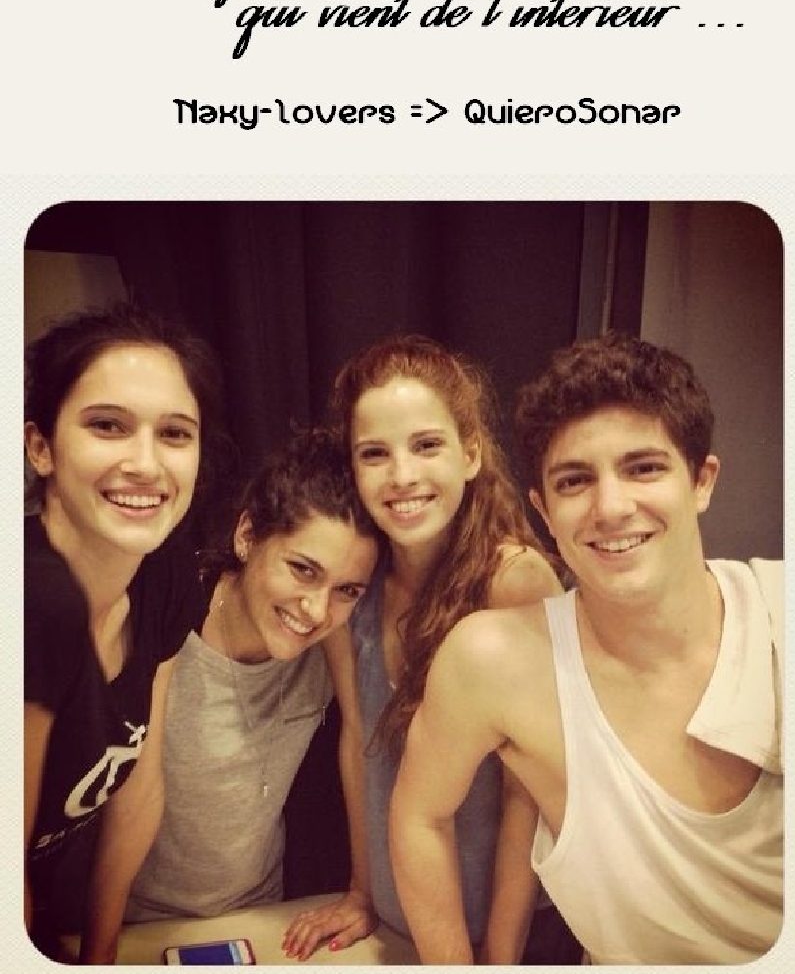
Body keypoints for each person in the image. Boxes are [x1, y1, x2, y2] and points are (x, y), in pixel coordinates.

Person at [390, 332, 784, 965]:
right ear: (544, 512)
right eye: (575, 481)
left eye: (643, 468)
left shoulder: (778, 617)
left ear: (701, 480)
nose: (611, 507)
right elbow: (418, 816)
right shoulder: (494, 661)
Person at [283, 335, 575, 963]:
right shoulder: (353, 586)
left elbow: (527, 795)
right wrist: (362, 892)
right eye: (374, 453)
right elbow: (358, 743)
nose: (402, 476)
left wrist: (496, 957)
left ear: (470, 454)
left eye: (426, 445)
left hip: (511, 933)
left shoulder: (515, 581)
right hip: (401, 925)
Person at [24, 302, 224, 963]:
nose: (145, 463)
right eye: (107, 425)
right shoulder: (31, 600)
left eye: (174, 433)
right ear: (40, 447)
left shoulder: (166, 573)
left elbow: (139, 788)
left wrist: (102, 954)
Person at [124, 427, 381, 921]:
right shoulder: (169, 619)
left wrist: (362, 893)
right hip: (135, 920)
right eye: (302, 569)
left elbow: (361, 740)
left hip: (258, 913)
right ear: (247, 536)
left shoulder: (330, 641)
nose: (315, 609)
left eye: (346, 590)